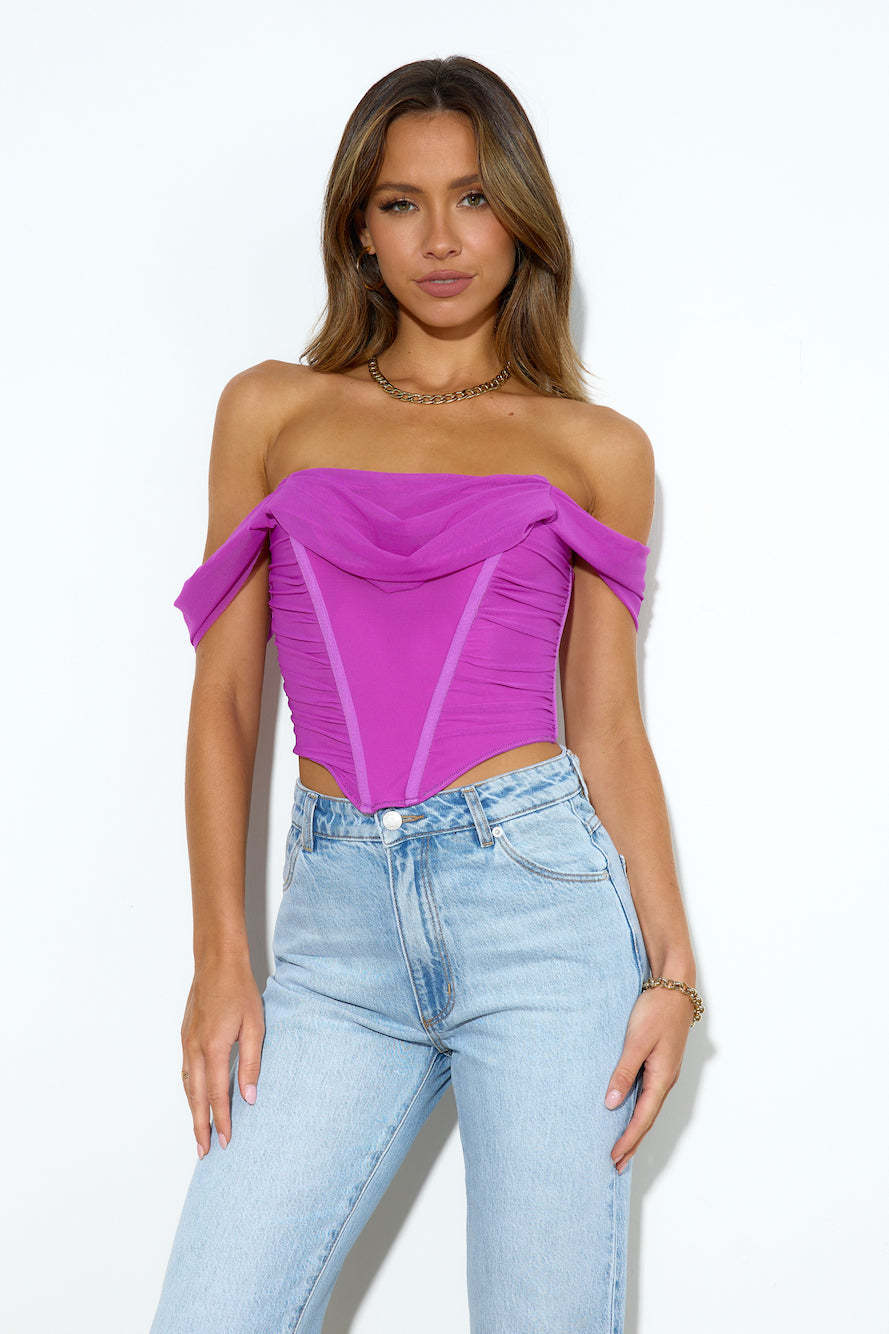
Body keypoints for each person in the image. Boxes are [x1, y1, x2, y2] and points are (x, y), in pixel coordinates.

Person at [151, 54, 702, 1334]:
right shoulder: (271, 411)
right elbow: (226, 699)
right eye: (402, 203)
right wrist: (221, 956)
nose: (441, 240)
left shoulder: (595, 448)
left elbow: (605, 722)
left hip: (542, 916)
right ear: (360, 225)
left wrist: (672, 971)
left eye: (473, 198)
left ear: (521, 216)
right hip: (335, 933)